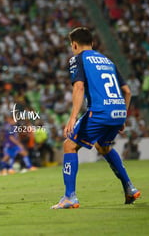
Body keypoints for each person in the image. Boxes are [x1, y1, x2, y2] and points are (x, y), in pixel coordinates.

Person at [51, 27, 141, 209]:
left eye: (72, 46)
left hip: (100, 111)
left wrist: (72, 118)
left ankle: (70, 197)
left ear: (74, 44)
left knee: (69, 145)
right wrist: (122, 115)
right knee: (104, 146)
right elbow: (127, 91)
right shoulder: (107, 60)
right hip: (118, 111)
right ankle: (130, 188)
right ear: (91, 43)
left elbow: (78, 87)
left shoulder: (78, 59)